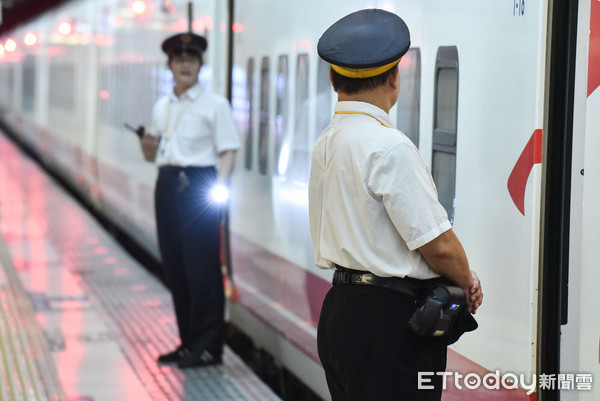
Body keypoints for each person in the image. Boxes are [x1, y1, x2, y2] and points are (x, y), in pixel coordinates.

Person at [308, 9, 483, 400]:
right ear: (393, 79)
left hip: (340, 312)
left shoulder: (327, 142)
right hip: (388, 325)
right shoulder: (389, 146)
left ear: (334, 79)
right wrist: (466, 280)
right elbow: (437, 243)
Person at [139, 31, 240, 368]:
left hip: (199, 186)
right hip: (166, 184)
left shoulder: (215, 104)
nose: (186, 65)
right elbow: (151, 156)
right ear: (169, 65)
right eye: (180, 60)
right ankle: (188, 343)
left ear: (200, 65)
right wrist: (148, 144)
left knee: (203, 269)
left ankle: (209, 346)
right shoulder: (162, 105)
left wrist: (219, 191)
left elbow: (228, 150)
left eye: (192, 59)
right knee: (176, 268)